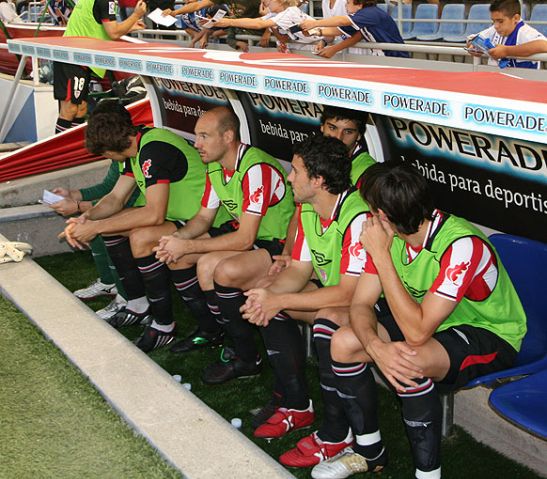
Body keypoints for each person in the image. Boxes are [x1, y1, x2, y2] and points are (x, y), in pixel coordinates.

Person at [311, 162, 527, 479]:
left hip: (490, 332)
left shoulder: (462, 245)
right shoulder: (392, 232)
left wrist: (381, 256)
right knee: (344, 342)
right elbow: (361, 303)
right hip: (428, 318)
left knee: (409, 359)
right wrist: (375, 347)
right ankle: (369, 452)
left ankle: (428, 475)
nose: (367, 217)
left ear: (383, 215)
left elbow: (416, 333)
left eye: (370, 209)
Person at [240, 135, 372, 469]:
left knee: (327, 318)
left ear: (318, 180)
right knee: (271, 300)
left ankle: (337, 433)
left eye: (296, 171)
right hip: (338, 297)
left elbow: (350, 293)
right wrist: (268, 297)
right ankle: (297, 405)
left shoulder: (357, 216)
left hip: (371, 307)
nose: (289, 177)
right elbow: (299, 269)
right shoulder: (310, 209)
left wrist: (279, 298)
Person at [153, 106, 295, 384]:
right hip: (248, 236)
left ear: (228, 136)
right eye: (197, 136)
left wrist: (189, 246)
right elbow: (204, 217)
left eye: (204, 136)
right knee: (180, 257)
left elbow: (245, 239)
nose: (197, 144)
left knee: (215, 267)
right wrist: (178, 240)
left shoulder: (255, 168)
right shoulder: (215, 165)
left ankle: (247, 358)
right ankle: (214, 331)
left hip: (277, 244)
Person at [62, 102, 210, 353]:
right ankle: (138, 305)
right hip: (182, 216)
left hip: (204, 219)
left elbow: (154, 214)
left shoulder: (153, 149)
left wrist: (96, 227)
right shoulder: (138, 145)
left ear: (111, 149)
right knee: (112, 227)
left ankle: (164, 326)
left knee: (141, 237)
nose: (108, 159)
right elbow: (115, 199)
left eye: (105, 155)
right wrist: (87, 217)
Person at [49, 158, 143, 320]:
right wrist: (73, 195)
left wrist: (79, 207)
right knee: (98, 222)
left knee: (108, 225)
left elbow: (128, 200)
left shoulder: (143, 153)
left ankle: (129, 300)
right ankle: (110, 283)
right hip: (149, 210)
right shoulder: (123, 155)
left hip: (159, 213)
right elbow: (110, 189)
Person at [52, 0, 146, 134]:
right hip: (72, 58)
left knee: (81, 109)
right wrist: (136, 15)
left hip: (79, 58)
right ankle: (59, 146)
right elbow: (113, 32)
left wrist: (130, 26)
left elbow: (102, 28)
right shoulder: (106, 1)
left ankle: (75, 144)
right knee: (70, 109)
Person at [300, 0, 409, 59]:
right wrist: (316, 32)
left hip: (394, 56)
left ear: (360, 4)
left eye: (348, 3)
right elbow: (340, 30)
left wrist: (315, 23)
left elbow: (342, 21)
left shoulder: (370, 13)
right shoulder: (362, 15)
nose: (346, 6)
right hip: (382, 55)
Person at [211, 0, 323, 52]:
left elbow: (258, 24)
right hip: (311, 47)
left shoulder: (289, 12)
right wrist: (227, 21)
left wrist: (229, 22)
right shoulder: (275, 14)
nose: (263, 2)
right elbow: (256, 21)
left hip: (323, 43)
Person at [466, 0, 546, 69]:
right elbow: (472, 39)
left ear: (516, 18)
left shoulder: (524, 32)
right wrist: (473, 45)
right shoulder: (494, 29)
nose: (496, 26)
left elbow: (544, 45)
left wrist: (506, 51)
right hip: (496, 78)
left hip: (524, 80)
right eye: (493, 21)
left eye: (500, 21)